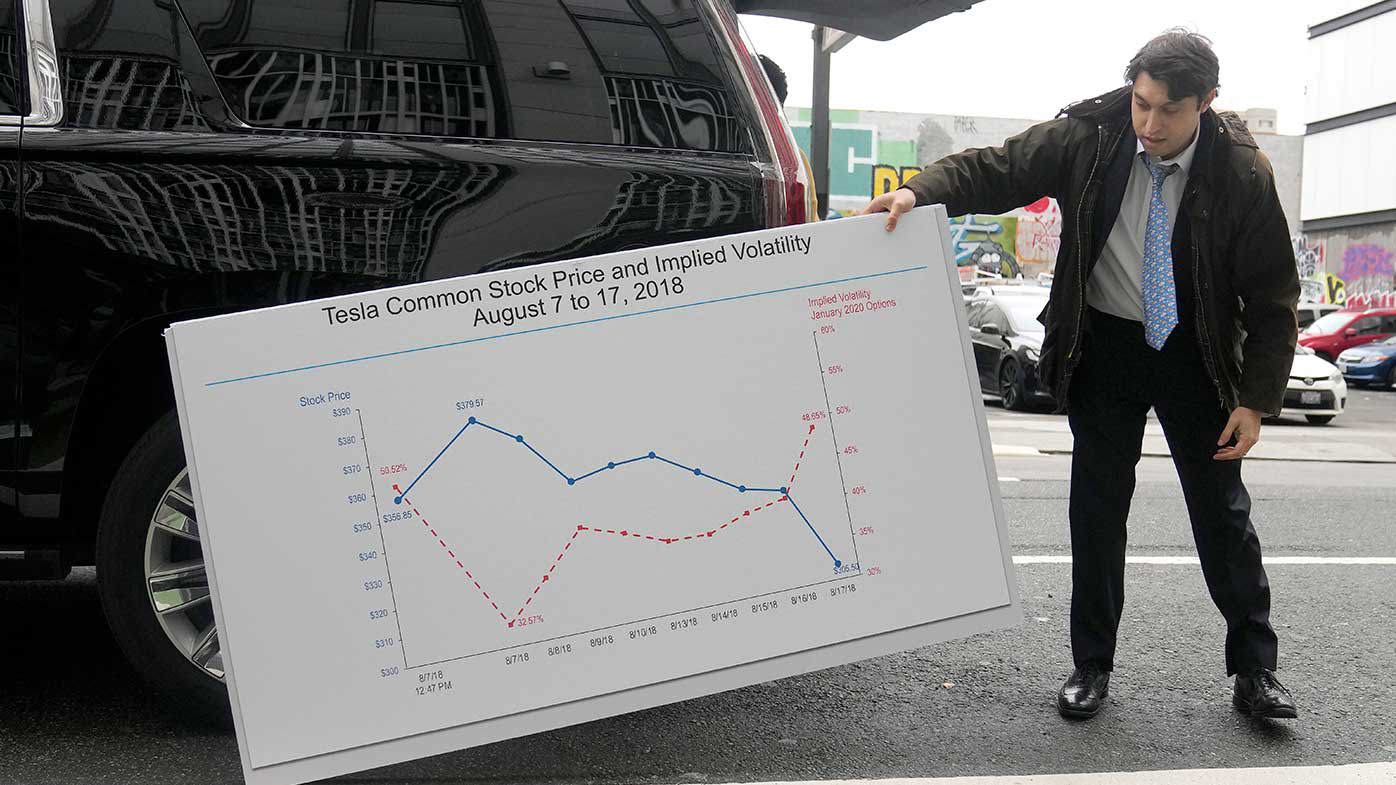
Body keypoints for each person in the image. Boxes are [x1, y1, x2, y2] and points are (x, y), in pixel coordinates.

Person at [862, 30, 1299, 720]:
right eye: (1141, 104)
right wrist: (917, 192)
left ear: (1207, 103)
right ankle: (1090, 665)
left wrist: (1255, 399)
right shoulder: (1090, 138)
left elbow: (1273, 297)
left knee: (1222, 515)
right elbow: (995, 168)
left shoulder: (1242, 172)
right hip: (1106, 347)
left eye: (1169, 111)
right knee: (1096, 512)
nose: (1150, 125)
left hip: (1197, 355)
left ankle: (1256, 670)